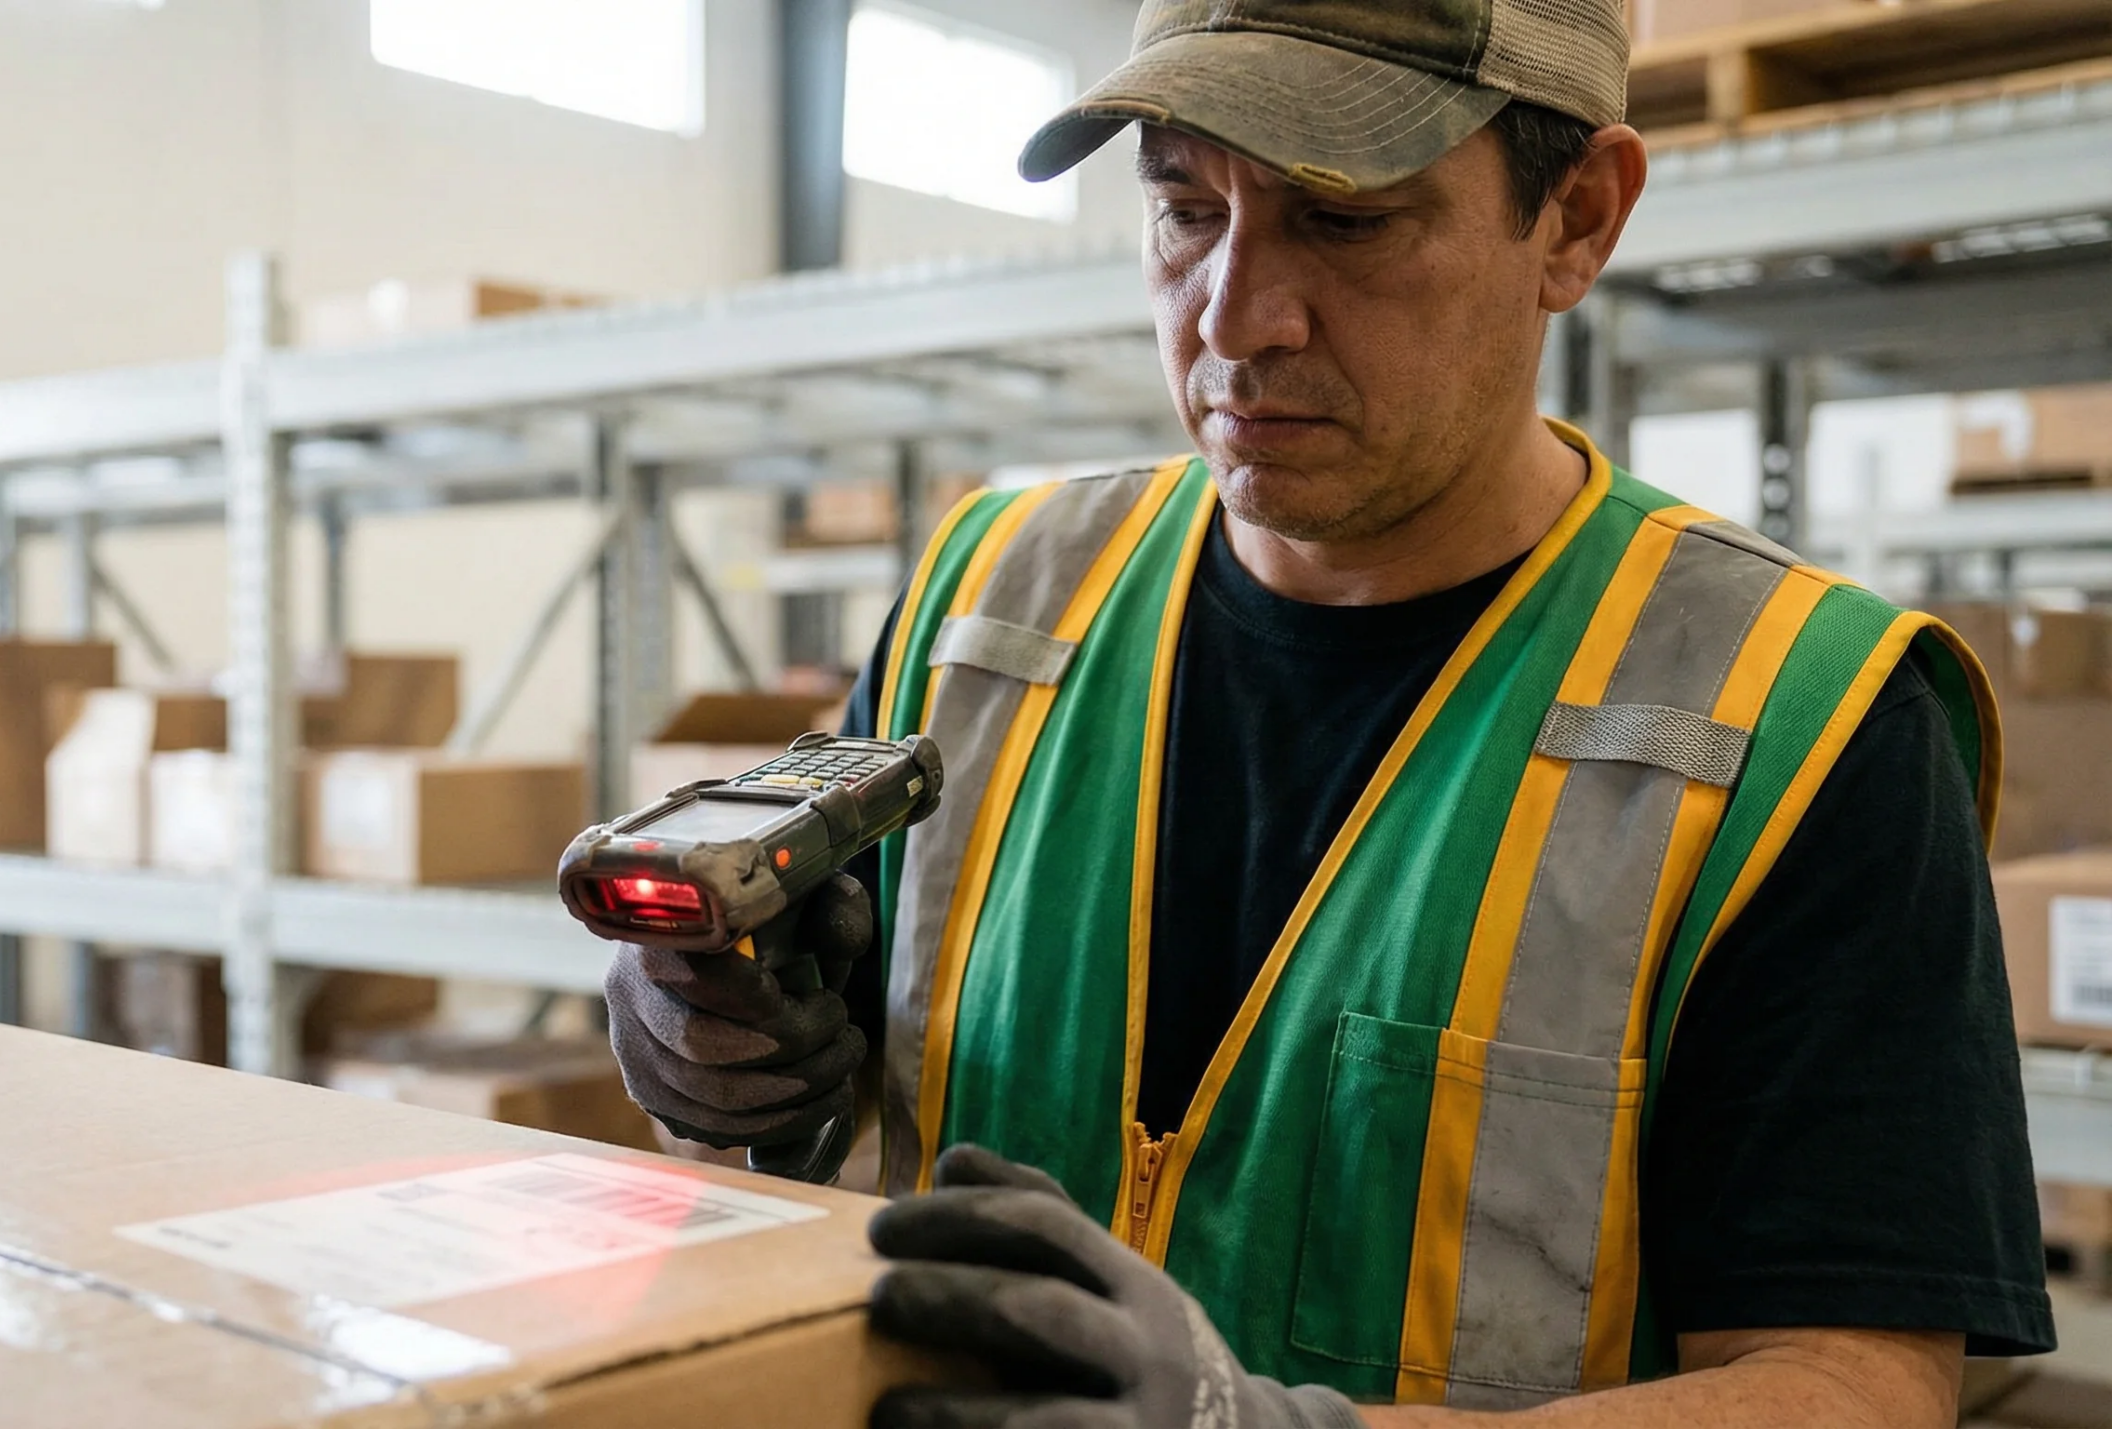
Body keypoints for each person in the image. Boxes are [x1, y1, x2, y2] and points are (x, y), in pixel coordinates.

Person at [604, 1, 2054, 1424]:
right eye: (1185, 211)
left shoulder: (1800, 718)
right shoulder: (985, 603)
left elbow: (1857, 1384)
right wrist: (724, 1051)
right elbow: (828, 1070)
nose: (1235, 317)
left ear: (1577, 219)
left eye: (1346, 221)